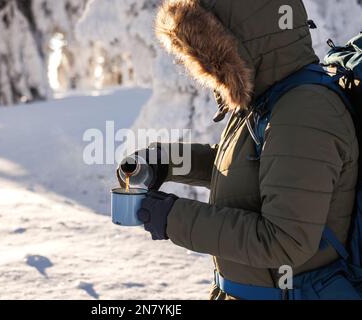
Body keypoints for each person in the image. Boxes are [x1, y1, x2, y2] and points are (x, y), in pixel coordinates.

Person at [118, 0, 359, 300]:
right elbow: (247, 168)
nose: (205, 68)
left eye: (209, 54)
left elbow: (284, 241)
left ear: (242, 42)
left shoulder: (304, 113)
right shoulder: (268, 99)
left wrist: (171, 217)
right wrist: (164, 163)